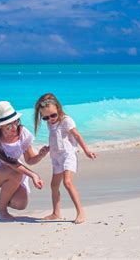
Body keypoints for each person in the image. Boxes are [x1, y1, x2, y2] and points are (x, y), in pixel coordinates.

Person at [0, 101, 49, 221]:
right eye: (9, 126)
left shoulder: (23, 133)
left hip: (16, 172)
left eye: (16, 122)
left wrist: (40, 155)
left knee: (21, 204)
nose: (14, 128)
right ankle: (1, 211)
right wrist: (33, 175)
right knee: (15, 173)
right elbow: (9, 162)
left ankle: (2, 201)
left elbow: (30, 160)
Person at [34, 93, 97, 224]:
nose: (50, 119)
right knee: (54, 185)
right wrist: (49, 148)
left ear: (58, 109)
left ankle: (80, 212)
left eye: (53, 115)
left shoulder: (66, 120)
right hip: (56, 157)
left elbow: (77, 136)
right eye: (45, 117)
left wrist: (86, 151)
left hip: (68, 155)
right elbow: (56, 138)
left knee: (67, 182)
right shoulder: (50, 124)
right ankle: (56, 213)